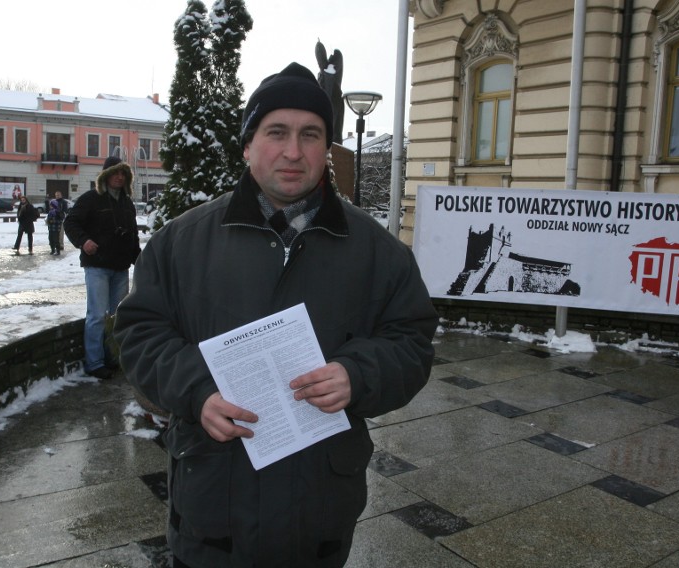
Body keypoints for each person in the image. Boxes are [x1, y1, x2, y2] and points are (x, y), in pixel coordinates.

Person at [114, 62, 438, 568]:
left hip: (320, 514)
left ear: (326, 148)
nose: (293, 151)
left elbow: (412, 342)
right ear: (247, 145)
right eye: (276, 133)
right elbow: (140, 334)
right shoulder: (181, 242)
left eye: (311, 134)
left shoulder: (377, 250)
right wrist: (197, 391)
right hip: (212, 506)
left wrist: (359, 374)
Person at [64, 157, 140, 380]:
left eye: (123, 173)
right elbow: (71, 223)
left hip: (120, 267)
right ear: (105, 175)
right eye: (116, 173)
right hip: (97, 266)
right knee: (97, 315)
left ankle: (112, 357)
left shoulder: (127, 204)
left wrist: (141, 259)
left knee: (116, 317)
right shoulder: (91, 199)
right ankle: (94, 361)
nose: (119, 177)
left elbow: (133, 236)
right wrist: (84, 241)